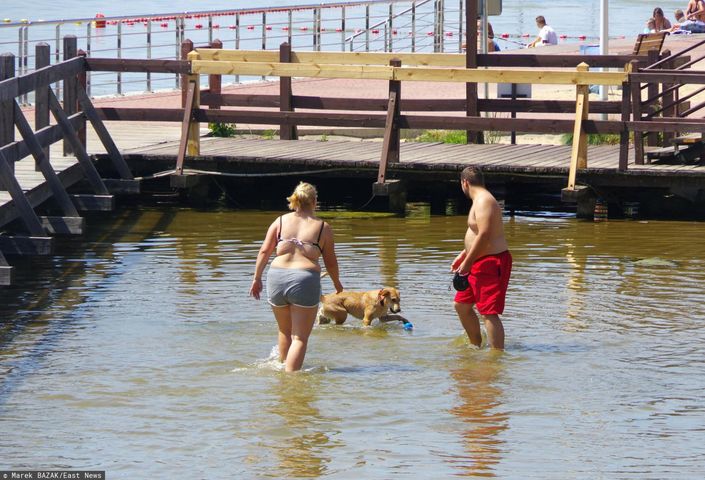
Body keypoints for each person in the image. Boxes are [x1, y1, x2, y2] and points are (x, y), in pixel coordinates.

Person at [249, 182, 343, 372]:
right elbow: (330, 262)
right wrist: (337, 284)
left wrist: (256, 278)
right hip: (304, 280)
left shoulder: (280, 221)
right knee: (300, 337)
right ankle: (292, 383)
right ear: (315, 202)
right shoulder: (323, 227)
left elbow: (264, 252)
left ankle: (283, 376)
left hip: (276, 277)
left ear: (294, 201)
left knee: (284, 330)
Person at [451, 167, 512, 350]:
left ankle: (496, 356)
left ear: (465, 182)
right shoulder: (478, 200)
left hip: (491, 263)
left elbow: (485, 235)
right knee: (461, 305)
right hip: (477, 261)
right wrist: (464, 254)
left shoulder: (484, 200)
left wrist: (467, 264)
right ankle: (475, 345)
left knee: (488, 312)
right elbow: (478, 233)